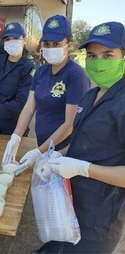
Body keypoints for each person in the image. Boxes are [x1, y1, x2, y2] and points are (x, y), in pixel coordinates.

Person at [30, 22, 125, 254]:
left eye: (108, 55)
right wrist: (55, 157)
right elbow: (82, 139)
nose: (98, 61)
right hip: (71, 201)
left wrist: (84, 169)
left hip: (99, 218)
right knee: (60, 243)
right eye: (92, 55)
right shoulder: (92, 94)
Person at [1, 15, 90, 175]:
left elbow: (69, 124)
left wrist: (37, 152)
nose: (50, 48)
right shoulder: (41, 71)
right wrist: (15, 136)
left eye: (56, 44)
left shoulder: (76, 75)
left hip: (63, 151)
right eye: (47, 44)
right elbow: (29, 107)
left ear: (69, 45)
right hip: (44, 145)